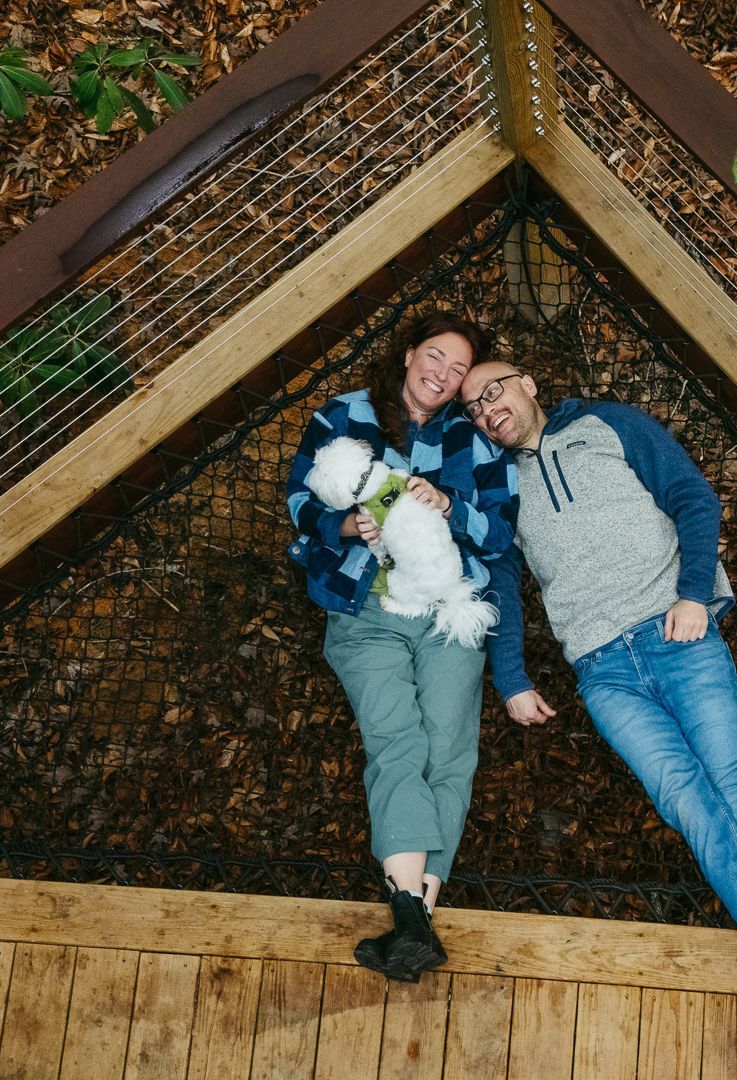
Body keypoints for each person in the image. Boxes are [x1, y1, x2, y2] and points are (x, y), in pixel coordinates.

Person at [462, 360, 737, 1061]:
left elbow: (693, 497)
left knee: (733, 796)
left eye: (491, 390)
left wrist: (692, 595)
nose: (484, 408)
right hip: (603, 671)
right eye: (470, 407)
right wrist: (511, 679)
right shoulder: (496, 487)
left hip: (679, 635)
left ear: (529, 382)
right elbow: (500, 584)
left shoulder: (607, 426)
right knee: (688, 802)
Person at [285, 314, 516, 982]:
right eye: (434, 357)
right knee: (398, 743)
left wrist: (450, 506)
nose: (441, 375)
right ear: (409, 352)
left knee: (450, 751)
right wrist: (343, 524)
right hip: (366, 611)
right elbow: (300, 500)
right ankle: (411, 917)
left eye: (455, 370)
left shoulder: (475, 438)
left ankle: (414, 916)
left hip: (449, 611)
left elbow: (500, 534)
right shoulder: (346, 414)